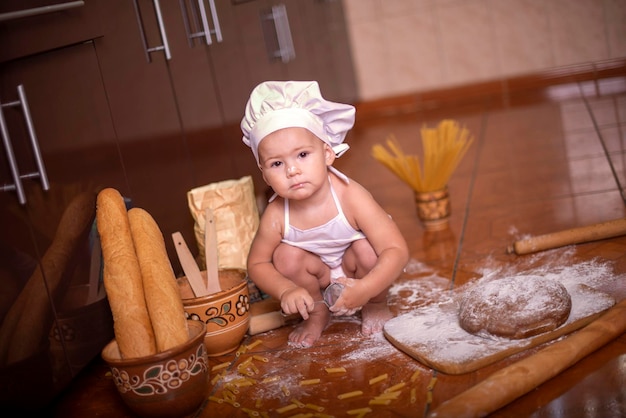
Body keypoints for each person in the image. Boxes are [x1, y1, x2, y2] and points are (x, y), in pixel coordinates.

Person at [241, 81, 409, 348]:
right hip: (315, 275)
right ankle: (317, 312)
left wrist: (365, 290)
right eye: (277, 163)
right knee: (284, 256)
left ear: (328, 153)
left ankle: (376, 304)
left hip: (357, 268)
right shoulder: (276, 214)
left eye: (303, 155)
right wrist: (286, 290)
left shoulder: (350, 196)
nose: (292, 170)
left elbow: (396, 249)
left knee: (367, 248)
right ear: (264, 173)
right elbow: (257, 264)